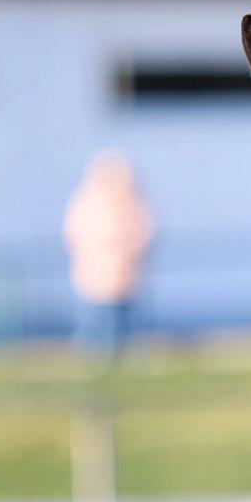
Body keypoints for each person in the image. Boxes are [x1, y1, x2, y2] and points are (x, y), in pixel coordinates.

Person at [63, 150, 154, 364]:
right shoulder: (89, 204)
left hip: (126, 273)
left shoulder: (132, 204)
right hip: (95, 273)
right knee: (95, 319)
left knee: (126, 320)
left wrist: (130, 250)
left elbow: (145, 232)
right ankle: (93, 359)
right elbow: (77, 235)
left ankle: (125, 358)